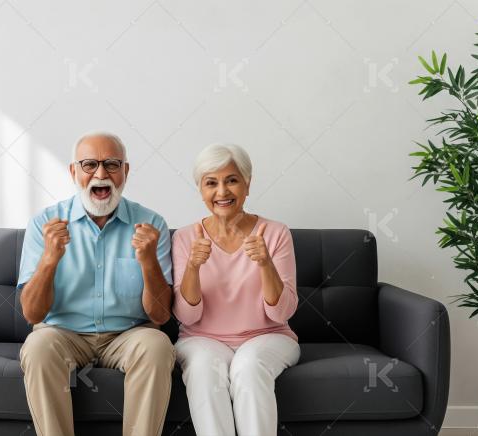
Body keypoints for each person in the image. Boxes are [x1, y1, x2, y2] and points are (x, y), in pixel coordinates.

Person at [18, 132, 175, 436]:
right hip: (64, 333)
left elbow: (160, 317)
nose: (101, 174)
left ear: (125, 172)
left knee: (157, 345)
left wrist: (148, 261)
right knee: (37, 345)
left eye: (112, 164)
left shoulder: (151, 224)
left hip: (128, 335)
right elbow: (32, 315)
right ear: (73, 171)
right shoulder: (45, 224)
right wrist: (49, 260)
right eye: (89, 164)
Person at [173, 143, 300, 436]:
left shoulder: (275, 233)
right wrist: (193, 267)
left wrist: (266, 264)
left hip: (268, 336)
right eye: (211, 183)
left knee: (249, 365)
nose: (222, 192)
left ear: (247, 184)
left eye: (231, 180)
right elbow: (187, 317)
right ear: (201, 190)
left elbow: (282, 312)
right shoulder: (185, 238)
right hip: (200, 338)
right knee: (204, 370)